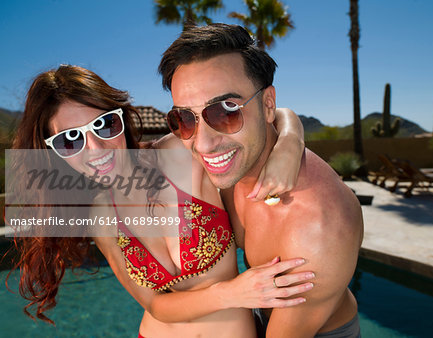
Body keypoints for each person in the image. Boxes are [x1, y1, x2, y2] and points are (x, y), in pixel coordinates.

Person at [7, 65, 313, 337]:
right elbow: (155, 304)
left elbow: (274, 114)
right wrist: (234, 292)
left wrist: (289, 144)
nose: (96, 147)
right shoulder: (101, 215)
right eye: (70, 140)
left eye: (104, 124)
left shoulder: (177, 153)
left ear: (121, 119)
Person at [158, 23, 364, 337]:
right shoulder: (236, 164)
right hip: (257, 307)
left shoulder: (316, 230)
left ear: (267, 104)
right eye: (184, 118)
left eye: (226, 111)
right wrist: (291, 137)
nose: (202, 144)